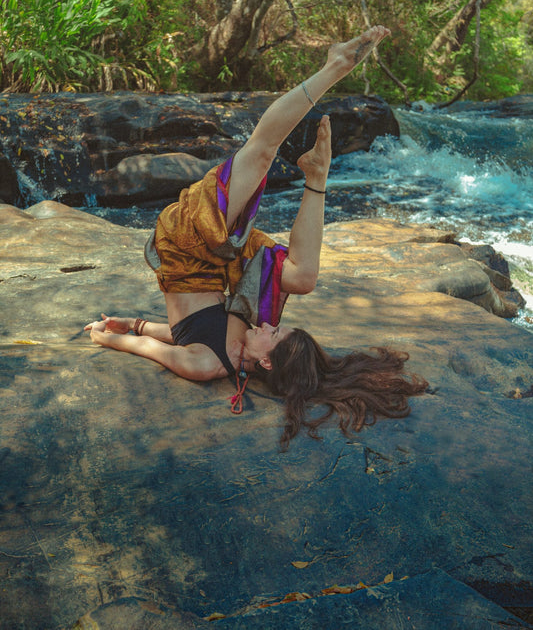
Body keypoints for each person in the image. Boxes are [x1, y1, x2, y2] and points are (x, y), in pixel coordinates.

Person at [84, 27, 428, 449]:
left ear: (265, 359)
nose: (269, 323)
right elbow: (190, 328)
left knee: (262, 154)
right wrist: (137, 321)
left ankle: (334, 67)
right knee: (302, 279)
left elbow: (159, 347)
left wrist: (113, 335)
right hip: (223, 262)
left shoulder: (208, 365)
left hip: (185, 247)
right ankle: (315, 179)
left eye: (274, 334)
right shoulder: (245, 345)